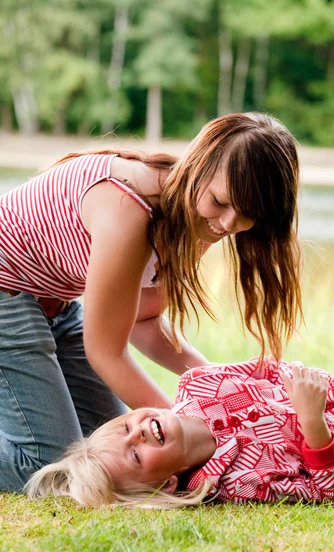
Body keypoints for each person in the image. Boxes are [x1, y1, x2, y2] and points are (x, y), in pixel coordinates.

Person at [0, 112, 302, 492]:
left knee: (103, 447)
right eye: (221, 202)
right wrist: (192, 433)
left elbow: (143, 321)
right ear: (199, 164)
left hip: (55, 304)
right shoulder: (129, 211)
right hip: (6, 289)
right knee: (48, 461)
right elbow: (106, 352)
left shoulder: (195, 215)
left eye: (248, 216)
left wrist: (224, 386)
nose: (227, 224)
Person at [26, 357, 334, 508]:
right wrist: (313, 425)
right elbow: (330, 492)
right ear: (169, 484)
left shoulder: (198, 383)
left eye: (126, 425)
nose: (137, 433)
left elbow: (278, 371)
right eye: (135, 455)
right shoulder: (233, 483)